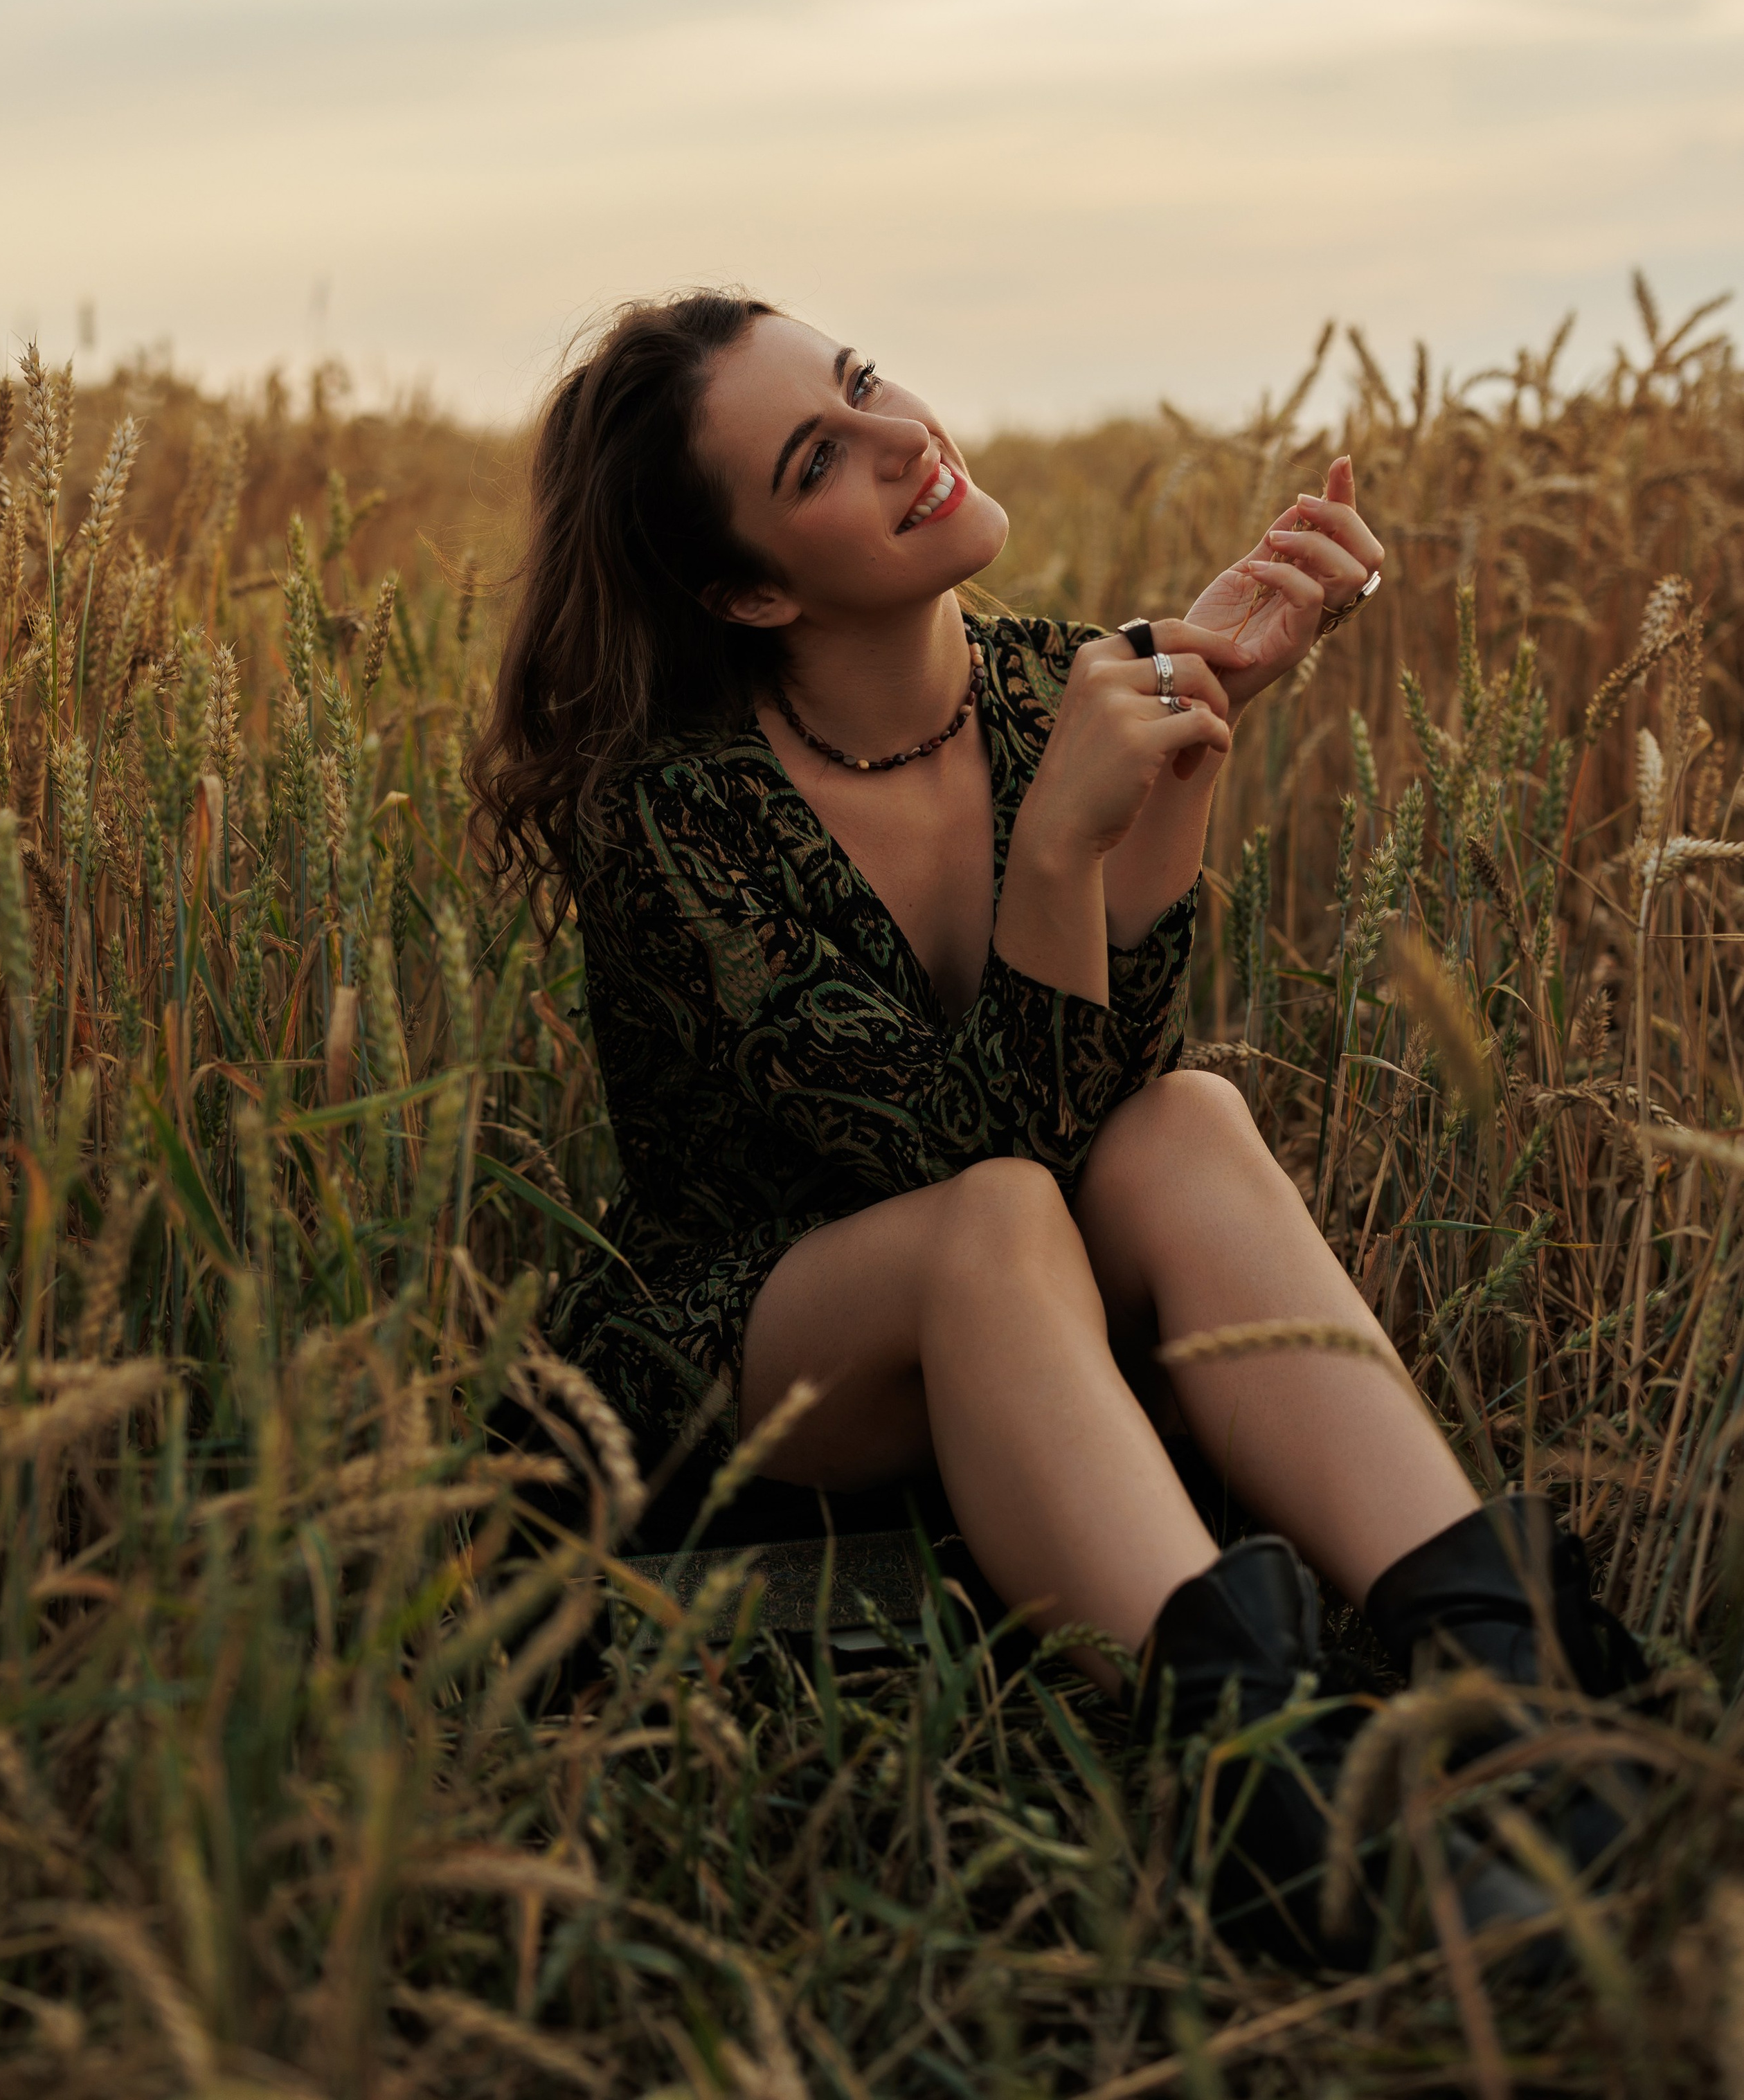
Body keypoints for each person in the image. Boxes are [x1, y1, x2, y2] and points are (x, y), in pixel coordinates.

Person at [469, 289, 1646, 1962]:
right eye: (820, 456)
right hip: (763, 1351)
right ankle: (1270, 1792)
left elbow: (1106, 1114)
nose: (899, 436)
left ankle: (1515, 1689)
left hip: (1020, 1285)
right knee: (994, 1218)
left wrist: (1186, 751)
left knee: (1181, 1117)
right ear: (750, 587)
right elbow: (967, 1169)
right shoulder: (684, 819)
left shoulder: (1059, 691)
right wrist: (1056, 856)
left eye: (865, 381)